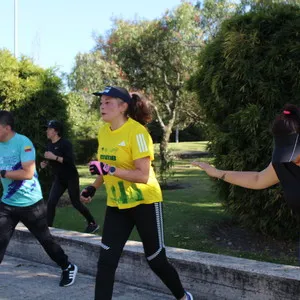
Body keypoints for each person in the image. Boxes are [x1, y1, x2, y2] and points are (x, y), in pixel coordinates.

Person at [80, 86, 193, 300]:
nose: (102, 106)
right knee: (106, 262)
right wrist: (94, 186)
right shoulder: (103, 131)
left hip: (144, 202)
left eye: (108, 102)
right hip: (117, 205)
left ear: (123, 107)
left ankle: (182, 296)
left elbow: (142, 175)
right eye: (101, 102)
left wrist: (109, 169)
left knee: (156, 259)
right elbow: (106, 164)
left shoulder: (138, 133)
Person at [0, 110, 77, 287]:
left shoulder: (23, 143)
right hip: (7, 203)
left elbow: (27, 173)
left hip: (31, 204)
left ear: (6, 128)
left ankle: (67, 266)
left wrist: (3, 172)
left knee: (46, 241)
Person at [192, 103, 300, 215]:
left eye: (293, 153)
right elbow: (257, 179)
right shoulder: (284, 164)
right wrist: (218, 173)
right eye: (286, 153)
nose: (292, 160)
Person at [40, 120, 99, 234]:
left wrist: (54, 157)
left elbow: (69, 161)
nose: (47, 131)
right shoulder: (49, 144)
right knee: (51, 202)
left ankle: (93, 223)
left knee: (76, 202)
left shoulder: (65, 144)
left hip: (70, 177)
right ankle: (48, 228)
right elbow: (52, 160)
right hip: (59, 179)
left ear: (56, 131)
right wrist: (46, 163)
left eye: (49, 129)